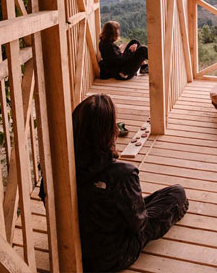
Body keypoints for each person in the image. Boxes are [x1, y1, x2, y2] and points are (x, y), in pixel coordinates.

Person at [73, 94, 188, 271]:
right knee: (176, 194)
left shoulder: (63, 168)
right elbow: (138, 224)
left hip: (77, 245)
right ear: (109, 131)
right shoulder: (122, 174)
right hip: (112, 255)